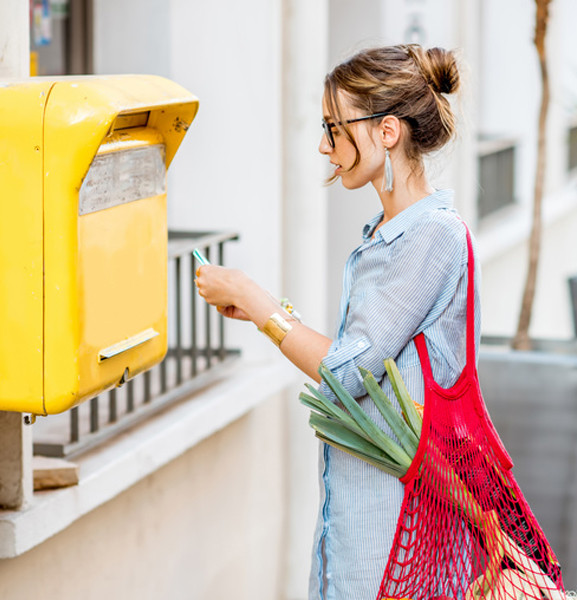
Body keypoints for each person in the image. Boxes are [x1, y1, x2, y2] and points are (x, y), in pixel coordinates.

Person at [194, 43, 480, 600]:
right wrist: (266, 315)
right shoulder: (384, 234)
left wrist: (258, 303)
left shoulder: (430, 237)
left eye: (335, 128)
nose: (326, 148)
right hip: (360, 520)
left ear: (388, 131)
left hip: (400, 537)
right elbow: (359, 354)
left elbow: (348, 374)